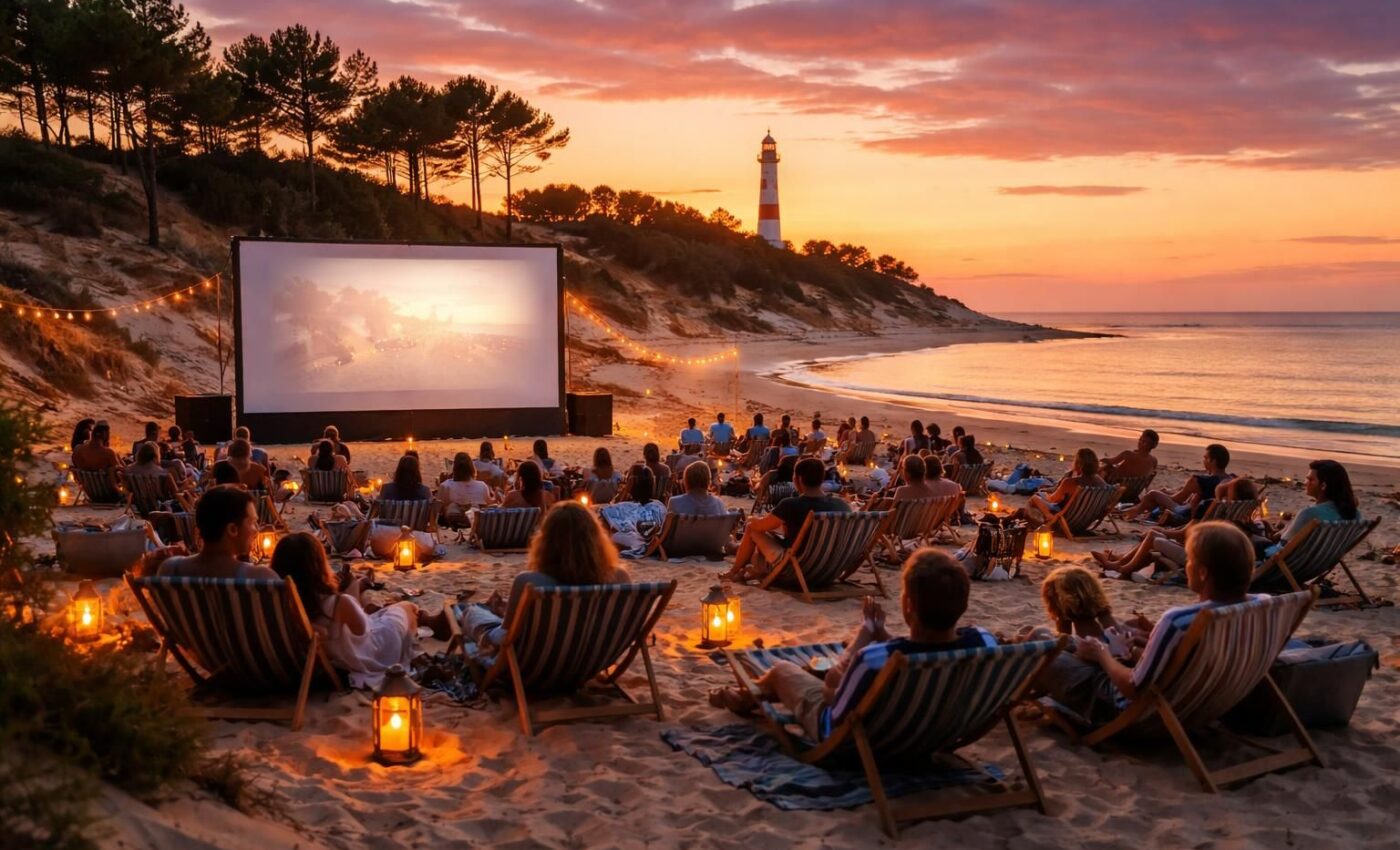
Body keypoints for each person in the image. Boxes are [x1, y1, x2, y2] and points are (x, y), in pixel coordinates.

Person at [710, 548, 997, 738]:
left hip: (848, 734)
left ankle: (743, 697)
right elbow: (921, 649)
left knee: (782, 670)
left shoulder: (875, 660)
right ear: (963, 602)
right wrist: (879, 636)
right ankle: (751, 692)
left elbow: (831, 697)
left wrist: (864, 639)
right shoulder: (983, 643)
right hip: (935, 730)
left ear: (908, 605)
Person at [1035, 521, 1260, 725]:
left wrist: (1101, 653)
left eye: (1189, 560)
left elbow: (1132, 687)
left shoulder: (1178, 621)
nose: (1187, 565)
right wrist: (1143, 641)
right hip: (1202, 704)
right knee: (1076, 642)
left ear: (1202, 573)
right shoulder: (1261, 608)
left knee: (1038, 639)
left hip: (1126, 709)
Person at [457, 502, 631, 662]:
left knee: (469, 612)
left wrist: (495, 624)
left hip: (535, 665)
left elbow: (504, 636)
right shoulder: (619, 578)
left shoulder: (530, 582)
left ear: (546, 541)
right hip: (589, 661)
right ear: (596, 539)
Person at [271, 532, 446, 689]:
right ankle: (427, 619)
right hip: (368, 655)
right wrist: (351, 596)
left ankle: (421, 619)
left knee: (383, 610)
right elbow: (363, 629)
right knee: (405, 608)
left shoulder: (279, 605)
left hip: (330, 653)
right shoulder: (337, 604)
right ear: (318, 567)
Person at [1091, 478, 1262, 579]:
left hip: (1199, 558)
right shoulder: (1248, 520)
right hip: (1217, 558)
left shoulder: (1214, 507)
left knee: (1153, 536)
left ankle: (1123, 569)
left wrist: (1164, 531)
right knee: (1155, 535)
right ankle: (1119, 562)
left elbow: (1185, 535)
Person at [723, 458, 850, 582]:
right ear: (821, 479)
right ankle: (750, 565)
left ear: (798, 479)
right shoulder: (842, 505)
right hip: (829, 570)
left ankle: (734, 571)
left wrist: (752, 519)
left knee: (751, 527)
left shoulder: (791, 505)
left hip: (797, 569)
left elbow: (759, 526)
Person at [143, 486, 276, 579]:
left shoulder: (170, 570)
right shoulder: (260, 577)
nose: (256, 530)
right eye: (253, 522)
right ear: (232, 530)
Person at [1261, 459, 1360, 559]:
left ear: (1323, 486)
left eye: (1310, 480)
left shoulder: (1309, 514)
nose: (1305, 483)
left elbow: (1281, 545)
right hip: (1320, 564)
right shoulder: (1355, 515)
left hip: (1289, 564)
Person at [1121, 443, 1233, 523]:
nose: (1203, 461)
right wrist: (1165, 493)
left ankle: (1134, 512)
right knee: (1159, 494)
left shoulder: (1199, 480)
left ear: (1212, 461)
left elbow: (1177, 499)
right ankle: (1138, 512)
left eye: (1205, 458)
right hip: (1213, 517)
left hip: (1188, 514)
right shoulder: (1232, 481)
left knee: (1152, 494)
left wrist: (1161, 494)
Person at [1015, 448, 1106, 525]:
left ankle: (1049, 517)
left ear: (1079, 464)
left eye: (1075, 460)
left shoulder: (1070, 482)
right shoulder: (1101, 482)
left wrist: (1045, 494)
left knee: (1034, 499)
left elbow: (1052, 499)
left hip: (1066, 519)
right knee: (1039, 497)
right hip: (1084, 520)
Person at [598, 466, 667, 557]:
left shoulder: (627, 507)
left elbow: (612, 510)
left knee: (606, 522)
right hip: (650, 543)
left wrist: (626, 489)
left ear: (632, 485)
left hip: (635, 542)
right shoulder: (658, 506)